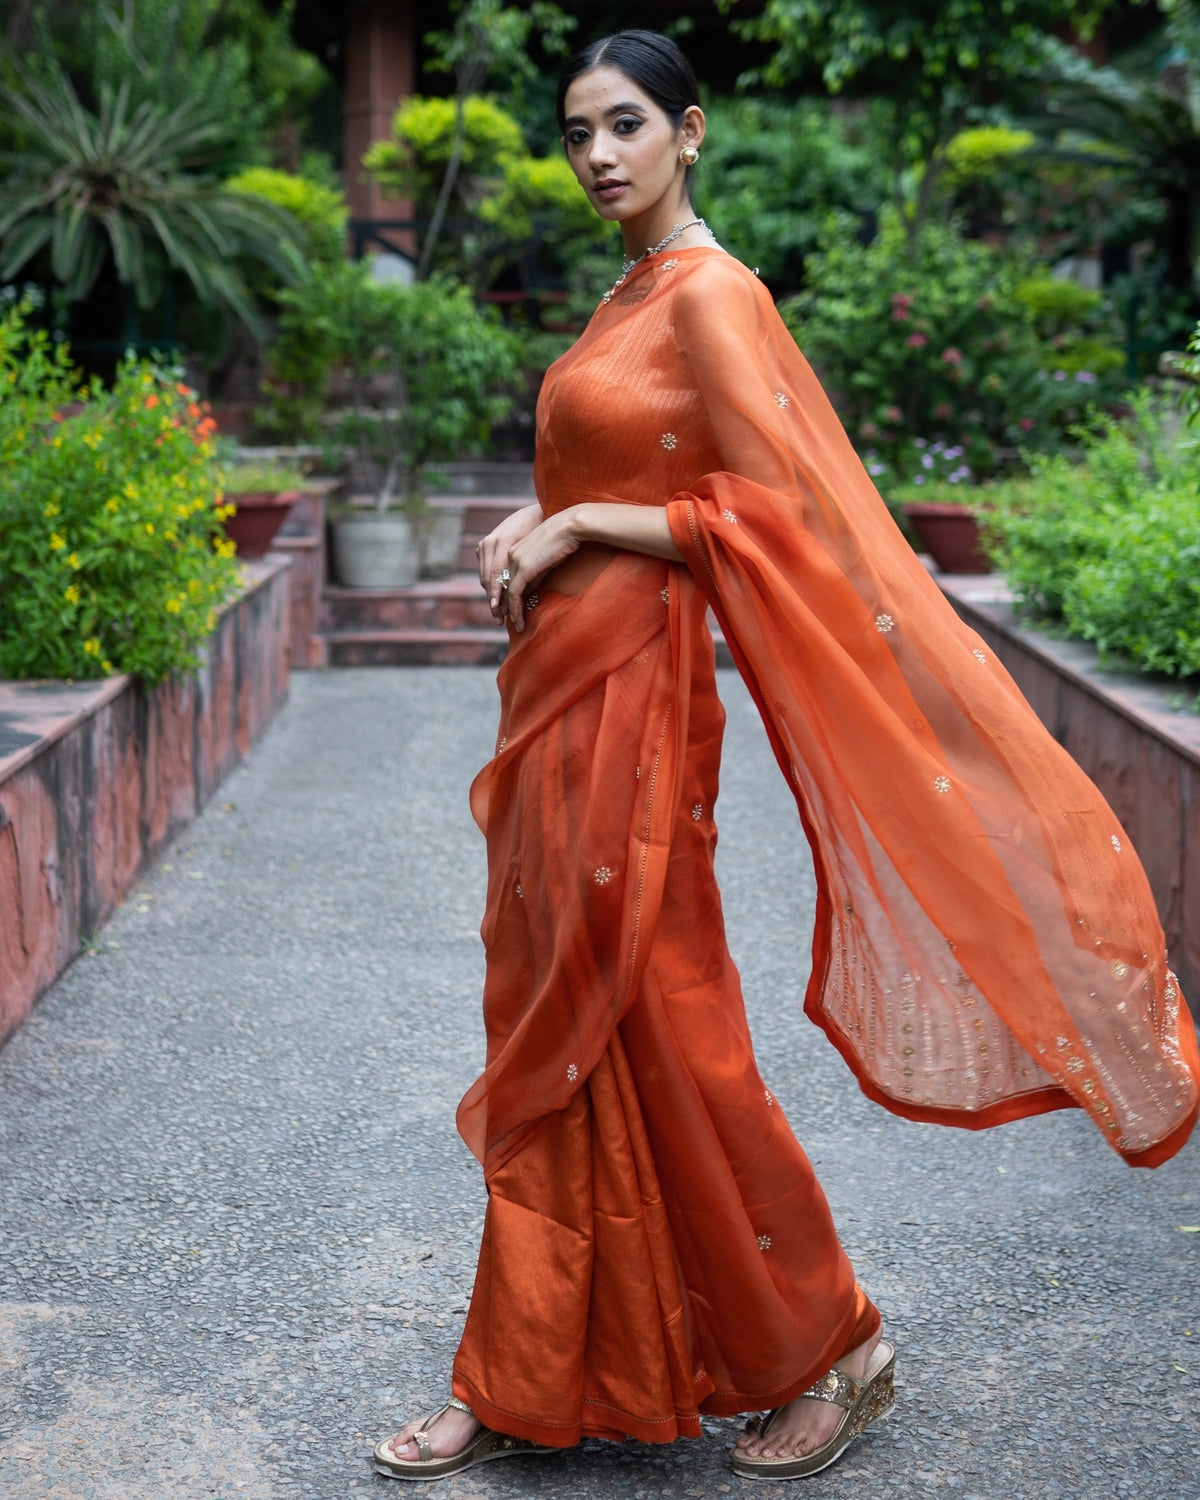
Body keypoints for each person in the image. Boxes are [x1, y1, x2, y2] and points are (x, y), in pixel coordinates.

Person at [373, 28, 1200, 1485]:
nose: (597, 156)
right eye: (577, 133)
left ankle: (838, 1344)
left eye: (625, 124)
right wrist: (534, 513)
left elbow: (777, 517)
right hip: (560, 697)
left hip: (638, 710)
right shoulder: (629, 291)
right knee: (559, 1031)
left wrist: (582, 529)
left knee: (667, 1030)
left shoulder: (716, 294)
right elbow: (630, 466)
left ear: (691, 131)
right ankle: (529, 1367)